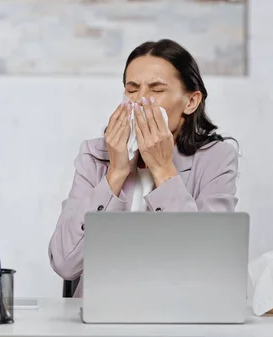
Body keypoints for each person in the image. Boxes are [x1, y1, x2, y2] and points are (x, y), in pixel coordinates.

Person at [48, 39, 240, 298]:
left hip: (179, 312)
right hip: (101, 312)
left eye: (157, 89)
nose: (140, 101)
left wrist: (163, 169)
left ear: (191, 102)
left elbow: (207, 265)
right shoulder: (94, 155)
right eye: (132, 89)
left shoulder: (216, 158)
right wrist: (115, 173)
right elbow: (64, 263)